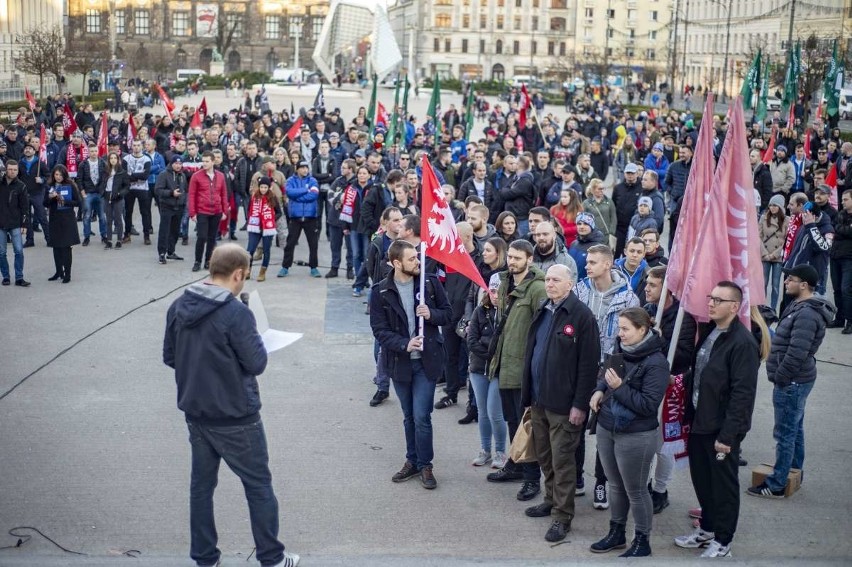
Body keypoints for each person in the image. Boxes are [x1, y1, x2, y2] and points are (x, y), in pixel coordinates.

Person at [162, 244, 301, 567]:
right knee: (258, 485)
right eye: (245, 276)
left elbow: (170, 357)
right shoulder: (235, 313)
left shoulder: (178, 305)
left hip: (195, 410)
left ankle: (205, 558)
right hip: (236, 413)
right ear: (238, 273)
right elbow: (255, 363)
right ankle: (272, 558)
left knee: (201, 487)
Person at [674, 281, 760, 558]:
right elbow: (700, 373)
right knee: (702, 479)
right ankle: (707, 529)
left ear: (735, 307)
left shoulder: (743, 343)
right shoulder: (711, 330)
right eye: (711, 298)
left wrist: (728, 436)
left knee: (723, 485)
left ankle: (723, 540)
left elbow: (742, 395)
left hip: (721, 428)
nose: (710, 303)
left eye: (718, 300)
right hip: (700, 419)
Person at [522, 264, 600, 543]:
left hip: (565, 406)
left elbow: (589, 366)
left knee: (563, 460)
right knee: (544, 456)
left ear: (570, 284)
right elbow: (533, 352)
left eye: (556, 280)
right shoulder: (545, 309)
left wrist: (580, 405)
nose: (550, 284)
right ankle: (550, 499)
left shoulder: (582, 316)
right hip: (540, 400)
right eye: (548, 279)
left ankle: (562, 516)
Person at [369, 240, 453, 490]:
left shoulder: (429, 282)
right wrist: (404, 343)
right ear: (396, 263)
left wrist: (431, 315)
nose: (418, 262)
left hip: (426, 363)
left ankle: (426, 464)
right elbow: (379, 330)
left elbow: (447, 314)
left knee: (421, 416)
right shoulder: (380, 291)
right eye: (412, 259)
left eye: (417, 257)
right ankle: (412, 461)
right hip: (399, 363)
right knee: (408, 417)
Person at [748, 265, 834, 498]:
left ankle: (776, 485)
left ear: (804, 285)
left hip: (792, 382)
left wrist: (781, 376)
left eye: (791, 279)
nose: (786, 282)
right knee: (794, 428)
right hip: (795, 380)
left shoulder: (806, 314)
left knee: (785, 432)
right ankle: (794, 472)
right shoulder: (800, 306)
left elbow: (797, 352)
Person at [588, 308, 669, 557]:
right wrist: (600, 388)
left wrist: (618, 387)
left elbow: (647, 405)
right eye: (619, 328)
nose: (619, 333)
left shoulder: (656, 363)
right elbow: (607, 372)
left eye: (625, 329)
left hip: (636, 434)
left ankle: (642, 540)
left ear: (642, 330)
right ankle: (617, 533)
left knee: (636, 490)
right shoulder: (621, 349)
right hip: (607, 426)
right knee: (615, 485)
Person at [574, 244, 640, 509]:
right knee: (575, 422)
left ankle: (601, 482)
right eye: (587, 262)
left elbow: (630, 338)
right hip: (580, 367)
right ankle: (576, 476)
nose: (587, 266)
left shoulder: (628, 298)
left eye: (592, 262)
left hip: (610, 369)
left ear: (608, 264)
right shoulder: (579, 290)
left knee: (605, 428)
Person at [487, 240, 547, 502]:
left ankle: (532, 478)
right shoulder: (504, 282)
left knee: (526, 426)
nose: (512, 262)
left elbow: (542, 331)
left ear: (530, 259)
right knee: (512, 420)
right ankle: (514, 464)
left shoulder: (537, 289)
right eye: (510, 257)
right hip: (504, 363)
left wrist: (534, 367)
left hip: (523, 368)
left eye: (518, 258)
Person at [642, 266, 697, 513]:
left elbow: (683, 355)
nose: (646, 288)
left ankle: (660, 490)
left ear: (668, 290)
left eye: (653, 285)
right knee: (645, 441)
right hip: (646, 386)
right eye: (647, 283)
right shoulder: (646, 311)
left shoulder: (684, 317)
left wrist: (659, 338)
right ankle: (642, 484)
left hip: (671, 388)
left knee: (665, 444)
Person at [466, 274, 507, 468]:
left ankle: (500, 452)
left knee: (495, 412)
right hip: (478, 368)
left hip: (499, 371)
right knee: (482, 411)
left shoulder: (509, 312)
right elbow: (472, 340)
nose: (495, 295)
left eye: (499, 291)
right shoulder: (480, 311)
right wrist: (492, 353)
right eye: (492, 290)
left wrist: (495, 355)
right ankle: (485, 450)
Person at [188, 151, 229, 273]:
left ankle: (208, 260)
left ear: (212, 162)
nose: (204, 163)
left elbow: (224, 194)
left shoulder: (221, 176)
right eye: (203, 161)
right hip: (202, 211)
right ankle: (197, 261)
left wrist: (224, 211)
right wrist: (192, 213)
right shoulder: (196, 176)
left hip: (216, 211)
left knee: (212, 238)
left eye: (207, 161)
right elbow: (192, 195)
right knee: (201, 237)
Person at [279, 161, 321, 278]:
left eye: (306, 168)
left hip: (310, 216)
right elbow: (289, 192)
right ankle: (285, 267)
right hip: (295, 217)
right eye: (302, 168)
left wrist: (298, 197)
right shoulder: (290, 180)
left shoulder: (312, 180)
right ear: (297, 169)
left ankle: (314, 267)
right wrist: (305, 190)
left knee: (313, 244)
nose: (304, 170)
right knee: (290, 243)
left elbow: (314, 194)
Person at [44, 165, 81, 283]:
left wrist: (64, 201)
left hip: (67, 219)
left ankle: (67, 273)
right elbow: (45, 203)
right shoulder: (50, 187)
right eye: (56, 174)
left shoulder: (70, 185)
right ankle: (58, 271)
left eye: (60, 174)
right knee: (56, 247)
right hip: (55, 219)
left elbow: (78, 202)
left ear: (64, 175)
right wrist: (51, 198)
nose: (58, 177)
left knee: (66, 247)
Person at [245, 177, 283, 282]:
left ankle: (262, 272)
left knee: (266, 250)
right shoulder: (254, 197)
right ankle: (247, 270)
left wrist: (271, 219)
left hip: (268, 227)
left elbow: (279, 212)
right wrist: (251, 219)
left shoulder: (273, 197)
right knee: (250, 250)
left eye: (265, 187)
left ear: (269, 187)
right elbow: (248, 210)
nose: (263, 189)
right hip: (255, 226)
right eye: (261, 187)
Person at [0, 160, 31, 286]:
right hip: (1, 223)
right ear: (6, 169)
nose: (12, 172)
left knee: (18, 251)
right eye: (10, 169)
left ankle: (19, 277)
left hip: (16, 223)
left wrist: (24, 224)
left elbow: (25, 207)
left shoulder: (21, 186)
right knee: (1, 253)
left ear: (18, 171)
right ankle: (6, 276)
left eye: (15, 170)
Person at [155, 156, 188, 264]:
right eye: (176, 163)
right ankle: (161, 253)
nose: (178, 166)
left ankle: (171, 251)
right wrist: (171, 193)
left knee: (175, 231)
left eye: (180, 164)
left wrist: (183, 201)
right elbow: (158, 190)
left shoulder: (182, 175)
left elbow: (185, 190)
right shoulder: (163, 174)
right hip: (167, 206)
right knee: (164, 230)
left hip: (179, 206)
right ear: (171, 163)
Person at [760, 195, 789, 310]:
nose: (772, 208)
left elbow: (787, 240)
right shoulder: (763, 218)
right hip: (765, 256)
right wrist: (764, 254)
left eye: (775, 205)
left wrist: (774, 254)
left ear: (781, 207)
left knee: (776, 285)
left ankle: (773, 309)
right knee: (763, 284)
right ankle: (761, 307)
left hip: (777, 257)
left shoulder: (787, 220)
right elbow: (758, 237)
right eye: (770, 205)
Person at [122, 139, 153, 245]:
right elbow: (124, 177)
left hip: (143, 189)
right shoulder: (126, 159)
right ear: (131, 146)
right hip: (129, 189)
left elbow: (145, 176)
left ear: (142, 146)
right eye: (134, 145)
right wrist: (137, 175)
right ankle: (127, 234)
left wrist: (132, 176)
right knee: (128, 212)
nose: (136, 147)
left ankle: (146, 236)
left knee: (145, 212)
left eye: (138, 145)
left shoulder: (146, 159)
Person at [830, 189, 852, 333]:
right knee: (837, 289)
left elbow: (843, 231)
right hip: (835, 255)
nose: (842, 202)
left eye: (846, 199)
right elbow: (834, 228)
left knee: (846, 290)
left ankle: (850, 321)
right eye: (842, 199)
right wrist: (844, 230)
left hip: (849, 258)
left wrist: (841, 230)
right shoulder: (840, 214)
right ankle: (840, 318)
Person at [78, 140, 107, 247]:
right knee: (86, 216)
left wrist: (103, 191)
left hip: (99, 193)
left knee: (102, 216)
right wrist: (83, 193)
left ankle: (104, 236)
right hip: (88, 193)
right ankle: (86, 237)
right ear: (88, 152)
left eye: (95, 151)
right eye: (92, 151)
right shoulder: (83, 164)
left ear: (98, 151)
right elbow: (79, 179)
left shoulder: (103, 163)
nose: (94, 153)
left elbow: (105, 179)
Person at [102, 151, 130, 250]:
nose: (113, 160)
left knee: (118, 219)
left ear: (118, 160)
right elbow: (102, 183)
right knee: (108, 219)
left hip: (118, 197)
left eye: (115, 158)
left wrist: (119, 193)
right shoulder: (105, 171)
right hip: (107, 196)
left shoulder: (122, 171)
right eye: (111, 158)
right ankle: (109, 240)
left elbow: (127, 186)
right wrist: (102, 192)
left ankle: (119, 240)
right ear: (108, 160)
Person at [568, 212, 607, 280]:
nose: (582, 227)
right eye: (579, 224)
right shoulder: (573, 244)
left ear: (592, 226)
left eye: (586, 224)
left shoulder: (598, 247)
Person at [582, 179, 617, 247]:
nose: (602, 191)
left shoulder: (609, 202)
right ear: (593, 190)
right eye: (600, 189)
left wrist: (611, 233)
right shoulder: (586, 203)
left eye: (603, 188)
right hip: (592, 235)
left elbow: (613, 218)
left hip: (606, 235)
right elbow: (583, 219)